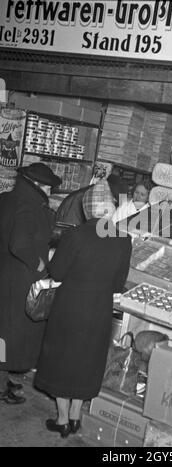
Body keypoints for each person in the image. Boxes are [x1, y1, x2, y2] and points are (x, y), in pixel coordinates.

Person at [34, 180, 132, 438]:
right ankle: (77, 416)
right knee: (86, 361)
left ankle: (63, 419)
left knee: (62, 360)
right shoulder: (123, 239)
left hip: (70, 308)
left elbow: (57, 272)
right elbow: (118, 283)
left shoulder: (75, 236)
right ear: (109, 210)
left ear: (89, 211)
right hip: (100, 310)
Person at [0, 162, 61, 404]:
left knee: (4, 333)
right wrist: (40, 266)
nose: (49, 192)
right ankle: (9, 385)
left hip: (6, 275)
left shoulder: (8, 199)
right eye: (47, 188)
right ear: (36, 185)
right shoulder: (29, 206)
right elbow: (20, 244)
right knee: (17, 336)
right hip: (22, 281)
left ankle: (9, 381)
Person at [56, 172, 128, 227]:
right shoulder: (81, 199)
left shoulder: (93, 194)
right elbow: (69, 228)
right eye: (114, 198)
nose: (114, 202)